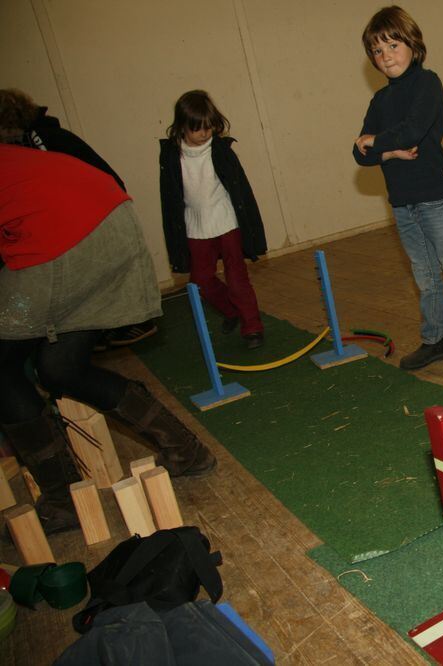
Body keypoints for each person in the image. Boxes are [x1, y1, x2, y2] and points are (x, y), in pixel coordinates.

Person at [0, 144, 217, 534]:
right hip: (114, 223)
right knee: (60, 367)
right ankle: (186, 450)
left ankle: (63, 500)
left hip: (64, 234)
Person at [353, 6, 443, 374]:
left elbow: (411, 131)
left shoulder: (428, 83)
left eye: (393, 46)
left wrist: (378, 143)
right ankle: (437, 339)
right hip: (401, 200)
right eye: (377, 52)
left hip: (433, 193)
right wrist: (389, 150)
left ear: (412, 44)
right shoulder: (380, 101)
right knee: (424, 274)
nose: (386, 57)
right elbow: (359, 153)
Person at [0, 88, 158, 348]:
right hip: (85, 226)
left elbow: (108, 179)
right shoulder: (27, 150)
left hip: (90, 226)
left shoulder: (50, 139)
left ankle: (114, 325)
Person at [159, 90, 267, 349]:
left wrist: (251, 228)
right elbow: (169, 197)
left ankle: (252, 327)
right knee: (201, 281)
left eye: (208, 127)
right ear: (182, 126)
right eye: (197, 128)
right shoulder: (172, 156)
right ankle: (232, 310)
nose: (204, 134)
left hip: (227, 221)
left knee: (237, 277)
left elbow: (242, 190)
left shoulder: (221, 150)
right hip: (195, 225)